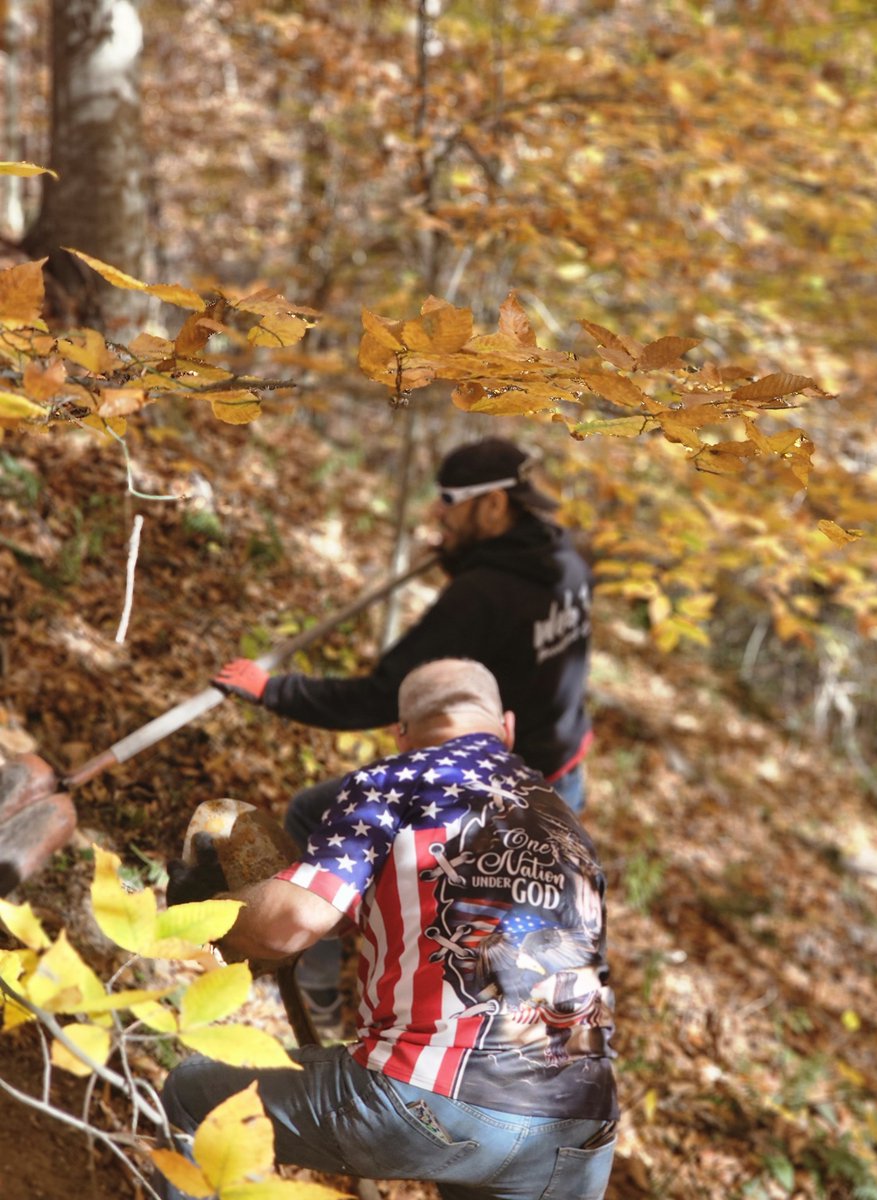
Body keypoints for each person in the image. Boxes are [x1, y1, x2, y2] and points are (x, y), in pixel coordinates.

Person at [159, 659, 617, 1200]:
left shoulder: (397, 781)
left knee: (191, 1095)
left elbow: (294, 921)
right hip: (578, 1129)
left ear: (399, 732)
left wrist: (209, 910)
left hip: (428, 1093)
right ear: (508, 727)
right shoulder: (567, 822)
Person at [213, 437, 594, 1030]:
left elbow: (383, 692)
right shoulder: (566, 559)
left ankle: (307, 985)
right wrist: (464, 560)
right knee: (502, 922)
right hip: (562, 778)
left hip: (492, 783)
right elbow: (515, 629)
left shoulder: (482, 594)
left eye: (449, 500)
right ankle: (487, 1049)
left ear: (493, 506)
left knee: (315, 813)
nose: (437, 512)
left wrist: (274, 690)